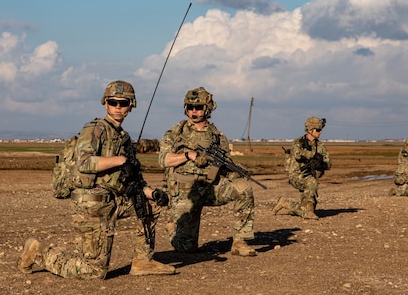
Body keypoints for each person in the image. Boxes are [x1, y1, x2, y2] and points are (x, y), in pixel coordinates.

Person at [17, 80, 176, 279]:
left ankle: (142, 261)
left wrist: (152, 193)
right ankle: (40, 253)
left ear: (131, 106)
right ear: (105, 103)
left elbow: (135, 181)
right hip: (92, 205)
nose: (118, 107)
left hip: (114, 200)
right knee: (93, 272)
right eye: (113, 102)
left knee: (151, 203)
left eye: (123, 103)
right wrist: (120, 160)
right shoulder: (95, 129)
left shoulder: (123, 138)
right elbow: (84, 163)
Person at [158, 87, 257, 256]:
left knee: (243, 187)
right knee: (187, 249)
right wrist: (189, 155)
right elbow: (164, 160)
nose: (194, 111)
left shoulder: (217, 136)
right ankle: (173, 228)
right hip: (184, 192)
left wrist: (235, 172)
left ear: (208, 109)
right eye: (190, 107)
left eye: (198, 107)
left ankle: (240, 241)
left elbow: (224, 164)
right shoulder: (176, 133)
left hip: (211, 188)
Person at [272, 117, 331, 220]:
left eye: (320, 130)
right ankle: (308, 212)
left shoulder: (320, 146)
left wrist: (320, 163)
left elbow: (328, 163)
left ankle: (285, 204)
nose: (320, 132)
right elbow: (298, 155)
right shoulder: (298, 143)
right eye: (317, 130)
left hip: (310, 176)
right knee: (312, 183)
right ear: (309, 130)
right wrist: (313, 155)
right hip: (297, 175)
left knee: (308, 205)